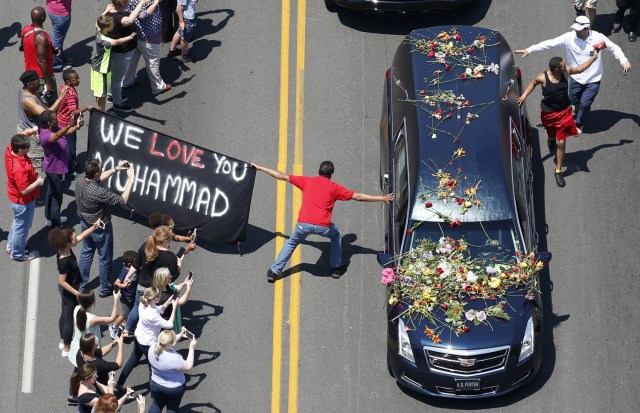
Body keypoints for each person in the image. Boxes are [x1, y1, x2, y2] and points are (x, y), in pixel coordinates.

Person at [252, 161, 394, 281]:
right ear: (331, 174)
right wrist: (382, 198)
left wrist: (260, 167)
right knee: (336, 235)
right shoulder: (334, 187)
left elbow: (282, 176)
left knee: (292, 242)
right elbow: (358, 196)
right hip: (323, 227)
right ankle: (337, 268)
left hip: (303, 225)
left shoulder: (307, 181)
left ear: (319, 171)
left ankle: (274, 272)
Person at [515, 15, 632, 133]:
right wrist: (529, 50)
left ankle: (580, 123)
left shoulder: (598, 38)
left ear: (587, 29)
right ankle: (578, 106)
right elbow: (550, 43)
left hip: (593, 79)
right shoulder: (569, 37)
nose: (576, 31)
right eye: (575, 28)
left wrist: (624, 61)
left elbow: (614, 48)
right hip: (576, 78)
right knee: (573, 99)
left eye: (579, 29)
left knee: (585, 104)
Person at [517, 51, 600, 188]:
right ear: (556, 69)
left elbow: (580, 68)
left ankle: (558, 170)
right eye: (562, 65)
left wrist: (594, 58)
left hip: (564, 113)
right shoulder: (542, 77)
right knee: (552, 135)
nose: (565, 66)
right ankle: (550, 138)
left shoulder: (565, 72)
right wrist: (524, 96)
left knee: (561, 142)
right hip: (548, 114)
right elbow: (532, 84)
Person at [75, 158, 135, 295]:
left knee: (86, 252)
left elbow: (99, 176)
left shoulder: (81, 179)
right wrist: (131, 179)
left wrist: (115, 169)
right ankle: (105, 288)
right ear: (95, 174)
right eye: (101, 171)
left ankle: (82, 284)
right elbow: (122, 201)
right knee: (105, 257)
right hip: (101, 227)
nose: (102, 172)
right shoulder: (98, 192)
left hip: (85, 222)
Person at [122, 226, 195, 336]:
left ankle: (127, 330)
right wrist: (179, 265)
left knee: (137, 307)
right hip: (158, 289)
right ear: (166, 240)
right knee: (156, 309)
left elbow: (136, 265)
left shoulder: (146, 246)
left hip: (142, 286)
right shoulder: (170, 257)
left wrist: (127, 277)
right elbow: (172, 277)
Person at [48, 221, 102, 356]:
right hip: (70, 291)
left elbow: (82, 236)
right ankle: (66, 347)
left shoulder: (65, 247)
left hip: (68, 291)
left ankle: (62, 340)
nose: (76, 238)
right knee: (69, 319)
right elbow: (62, 281)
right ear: (67, 243)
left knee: (64, 314)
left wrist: (94, 227)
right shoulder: (64, 261)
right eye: (73, 238)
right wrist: (77, 293)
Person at [18, 69, 68, 206]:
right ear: (28, 84)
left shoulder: (26, 90)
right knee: (35, 166)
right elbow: (47, 114)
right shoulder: (28, 100)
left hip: (32, 129)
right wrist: (60, 97)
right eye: (36, 83)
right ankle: (33, 196)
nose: (39, 84)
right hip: (32, 136)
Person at [116, 287, 178, 389]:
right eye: (159, 296)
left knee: (133, 360)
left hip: (139, 337)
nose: (160, 297)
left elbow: (159, 309)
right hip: (148, 343)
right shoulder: (153, 315)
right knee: (153, 366)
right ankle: (154, 391)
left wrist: (168, 301)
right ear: (155, 299)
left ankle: (120, 383)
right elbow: (169, 324)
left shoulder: (143, 304)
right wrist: (174, 307)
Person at [67, 289, 120, 405]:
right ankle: (79, 395)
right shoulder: (92, 319)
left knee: (77, 372)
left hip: (77, 347)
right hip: (87, 349)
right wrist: (116, 300)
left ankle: (72, 394)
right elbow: (112, 318)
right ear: (92, 301)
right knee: (86, 373)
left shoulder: (77, 310)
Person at [5, 134, 45, 261]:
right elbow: (23, 190)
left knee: (18, 224)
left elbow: (20, 137)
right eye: (27, 146)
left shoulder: (10, 150)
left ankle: (11, 245)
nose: (29, 147)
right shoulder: (19, 169)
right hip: (23, 201)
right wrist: (37, 183)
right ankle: (17, 254)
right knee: (22, 228)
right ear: (20, 150)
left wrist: (31, 131)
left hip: (16, 199)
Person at [107, 0, 151, 113]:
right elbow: (130, 20)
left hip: (119, 51)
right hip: (121, 52)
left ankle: (111, 94)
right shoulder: (119, 18)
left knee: (115, 76)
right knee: (117, 79)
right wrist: (141, 4)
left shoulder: (109, 11)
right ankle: (118, 103)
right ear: (124, 4)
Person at [39, 110, 81, 227]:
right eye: (55, 119)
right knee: (57, 198)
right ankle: (56, 225)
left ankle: (49, 218)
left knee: (50, 192)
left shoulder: (53, 127)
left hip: (51, 168)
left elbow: (65, 133)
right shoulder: (46, 136)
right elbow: (57, 136)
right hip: (56, 170)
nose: (57, 120)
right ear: (49, 123)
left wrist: (76, 127)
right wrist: (69, 125)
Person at [92, 7, 138, 113]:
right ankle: (103, 114)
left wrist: (106, 11)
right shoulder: (104, 39)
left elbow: (97, 22)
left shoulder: (99, 29)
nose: (114, 25)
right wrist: (130, 37)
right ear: (107, 28)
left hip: (102, 67)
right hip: (100, 70)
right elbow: (116, 42)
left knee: (104, 90)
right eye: (112, 24)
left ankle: (109, 99)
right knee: (101, 94)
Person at [124, 0, 172, 96]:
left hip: (135, 33)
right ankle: (158, 87)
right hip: (148, 36)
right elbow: (143, 16)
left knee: (132, 59)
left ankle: (126, 82)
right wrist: (156, 2)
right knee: (152, 61)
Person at [148, 329, 196, 413]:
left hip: (155, 384)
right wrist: (191, 348)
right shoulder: (174, 359)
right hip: (173, 388)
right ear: (170, 343)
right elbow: (188, 366)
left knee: (156, 404)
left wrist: (180, 335)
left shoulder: (152, 347)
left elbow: (166, 344)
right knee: (172, 409)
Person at [20, 7, 57, 105]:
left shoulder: (26, 29)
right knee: (49, 105)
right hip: (41, 77)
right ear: (43, 18)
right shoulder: (41, 37)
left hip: (30, 75)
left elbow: (22, 47)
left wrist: (52, 50)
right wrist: (48, 83)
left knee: (36, 103)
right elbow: (42, 61)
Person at [58, 69, 92, 174]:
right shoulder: (71, 93)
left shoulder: (63, 87)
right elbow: (73, 112)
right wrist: (86, 108)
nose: (78, 80)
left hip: (60, 119)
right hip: (68, 123)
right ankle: (70, 170)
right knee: (71, 148)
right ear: (68, 81)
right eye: (76, 79)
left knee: (64, 146)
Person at [153, 267, 194, 333]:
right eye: (169, 275)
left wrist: (184, 283)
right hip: (167, 319)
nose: (171, 276)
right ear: (164, 279)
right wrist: (188, 289)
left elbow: (175, 288)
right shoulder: (166, 296)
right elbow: (181, 302)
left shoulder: (160, 287)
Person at [111, 250, 138, 339]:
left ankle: (124, 323)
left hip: (132, 294)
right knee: (125, 313)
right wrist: (124, 285)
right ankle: (114, 327)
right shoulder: (125, 271)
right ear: (130, 264)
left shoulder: (133, 269)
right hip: (126, 297)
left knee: (129, 310)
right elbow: (116, 283)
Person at [45, 0, 74, 71]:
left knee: (56, 37)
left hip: (53, 8)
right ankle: (56, 65)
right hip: (60, 14)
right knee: (57, 40)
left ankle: (59, 57)